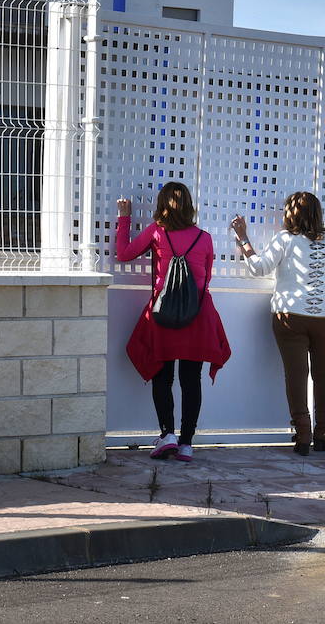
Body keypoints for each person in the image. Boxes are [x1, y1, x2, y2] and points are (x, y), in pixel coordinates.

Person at [116, 182, 231, 462]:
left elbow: (124, 254)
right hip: (199, 315)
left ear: (163, 204)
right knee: (191, 380)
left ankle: (167, 435)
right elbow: (207, 277)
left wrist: (124, 218)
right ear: (190, 205)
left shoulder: (157, 232)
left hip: (164, 313)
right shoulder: (204, 237)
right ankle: (187, 443)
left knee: (162, 376)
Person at [231, 192, 325, 456]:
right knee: (324, 376)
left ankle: (303, 434)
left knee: (297, 376)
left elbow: (258, 268)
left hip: (290, 315)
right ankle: (324, 434)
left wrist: (244, 239)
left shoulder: (285, 239)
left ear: (290, 213)